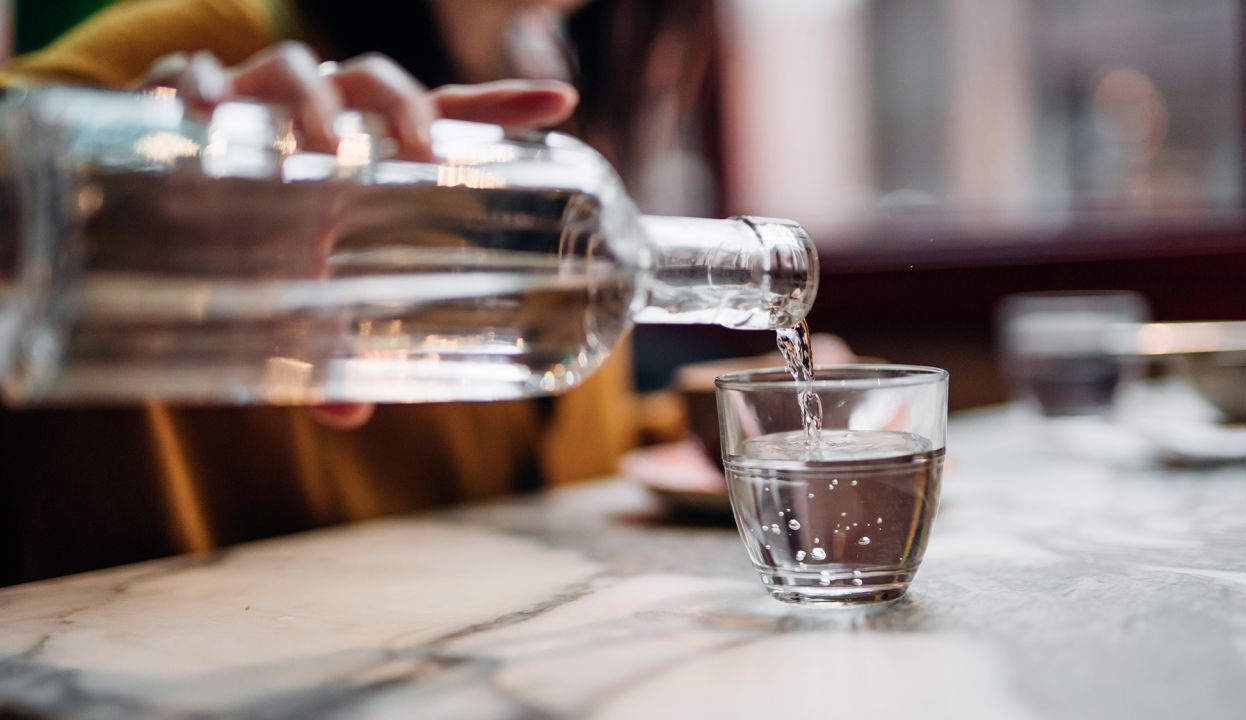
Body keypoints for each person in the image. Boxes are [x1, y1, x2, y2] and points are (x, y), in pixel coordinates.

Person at [0, 0, 718, 585]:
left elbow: (534, 458)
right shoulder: (212, 75)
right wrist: (76, 212)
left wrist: (723, 421)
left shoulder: (558, 129)